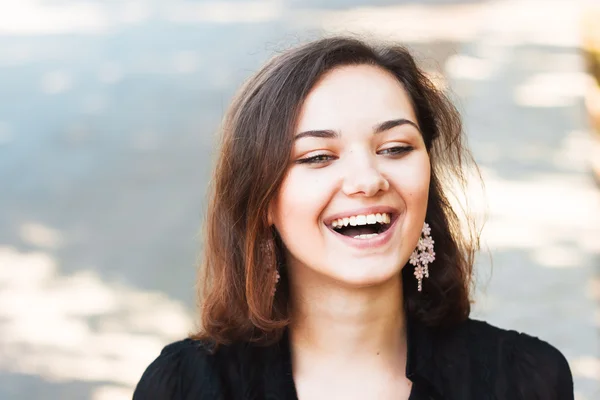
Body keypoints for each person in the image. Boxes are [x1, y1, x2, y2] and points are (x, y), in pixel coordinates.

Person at [133, 36, 574, 399]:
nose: (367, 180)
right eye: (319, 156)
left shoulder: (526, 380)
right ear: (263, 200)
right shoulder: (183, 388)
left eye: (395, 148)